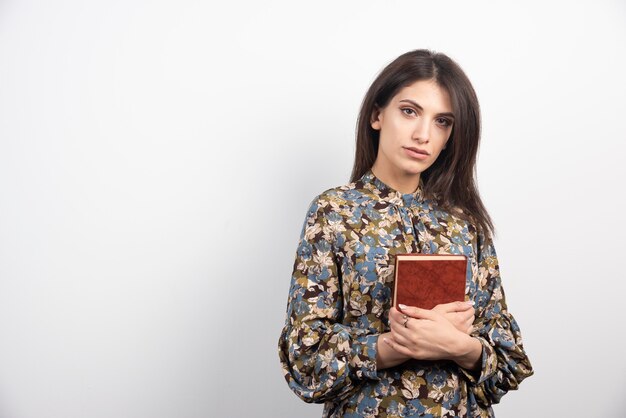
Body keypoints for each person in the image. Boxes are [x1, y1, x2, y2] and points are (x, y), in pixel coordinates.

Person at [278, 49, 533, 418]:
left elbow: (510, 361)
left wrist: (460, 347)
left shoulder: (464, 221)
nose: (423, 135)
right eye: (410, 111)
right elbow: (304, 361)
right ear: (377, 115)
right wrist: (392, 346)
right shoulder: (334, 212)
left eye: (442, 121)